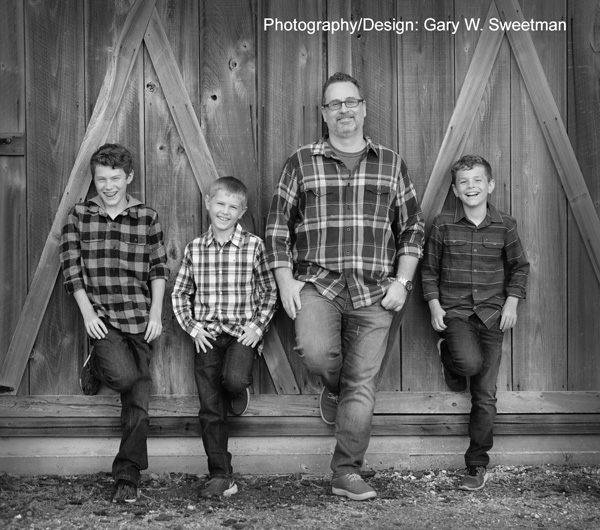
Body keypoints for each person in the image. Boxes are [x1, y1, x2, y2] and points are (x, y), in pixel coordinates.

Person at [266, 72, 425, 501]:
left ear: (364, 108)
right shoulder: (301, 162)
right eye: (334, 104)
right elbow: (278, 227)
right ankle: (332, 389)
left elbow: (412, 228)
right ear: (323, 113)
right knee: (317, 355)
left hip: (376, 290)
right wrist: (285, 283)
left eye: (350, 102)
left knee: (362, 383)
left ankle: (346, 472)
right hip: (318, 284)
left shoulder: (391, 163)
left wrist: (404, 282)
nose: (344, 111)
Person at [59, 143, 169, 503]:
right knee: (126, 378)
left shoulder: (146, 217)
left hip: (138, 318)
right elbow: (71, 268)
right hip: (102, 320)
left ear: (129, 178)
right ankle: (98, 360)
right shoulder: (79, 216)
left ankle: (128, 475)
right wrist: (87, 313)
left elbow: (158, 268)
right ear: (94, 179)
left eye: (116, 178)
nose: (108, 186)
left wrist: (155, 313)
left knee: (138, 404)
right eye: (101, 179)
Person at [421, 154, 530, 491]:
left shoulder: (505, 226)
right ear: (455, 190)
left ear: (490, 185)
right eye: (464, 182)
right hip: (455, 313)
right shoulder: (442, 224)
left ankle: (476, 465)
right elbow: (429, 270)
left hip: (492, 316)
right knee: (468, 364)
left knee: (485, 395)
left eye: (478, 180)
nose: (471, 187)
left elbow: (520, 268)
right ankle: (449, 357)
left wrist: (512, 302)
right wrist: (434, 306)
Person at [171, 176, 278, 499]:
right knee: (209, 408)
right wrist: (193, 328)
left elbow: (269, 291)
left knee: (232, 380)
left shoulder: (254, 246)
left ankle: (236, 390)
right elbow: (180, 294)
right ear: (208, 202)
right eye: (220, 203)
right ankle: (221, 474)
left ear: (242, 211)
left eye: (233, 207)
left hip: (241, 335)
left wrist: (257, 328)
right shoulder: (195, 249)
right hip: (207, 336)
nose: (225, 211)